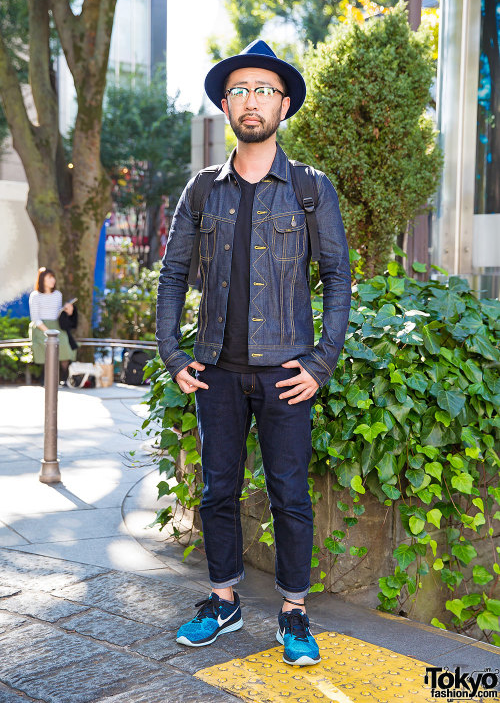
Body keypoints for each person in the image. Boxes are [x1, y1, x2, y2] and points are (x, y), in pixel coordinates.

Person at [156, 40, 351, 666]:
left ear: (284, 105)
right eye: (239, 90)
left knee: (290, 495)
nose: (251, 100)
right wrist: (172, 354)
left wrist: (321, 363)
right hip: (215, 369)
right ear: (224, 106)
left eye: (263, 90)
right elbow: (173, 274)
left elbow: (340, 278)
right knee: (216, 492)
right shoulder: (200, 189)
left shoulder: (310, 189)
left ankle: (294, 613)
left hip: (286, 372)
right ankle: (224, 602)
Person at [29, 267, 77, 384]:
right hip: (41, 327)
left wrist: (68, 311)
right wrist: (48, 332)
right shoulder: (35, 296)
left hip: (57, 326)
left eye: (53, 277)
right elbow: (35, 318)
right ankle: (45, 379)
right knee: (47, 350)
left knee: (65, 346)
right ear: (42, 280)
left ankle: (65, 379)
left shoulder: (57, 294)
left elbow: (58, 314)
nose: (53, 280)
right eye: (49, 277)